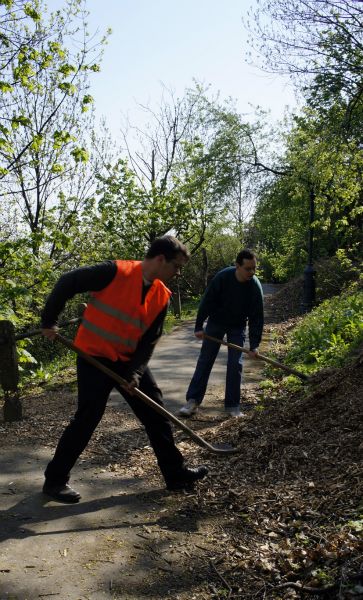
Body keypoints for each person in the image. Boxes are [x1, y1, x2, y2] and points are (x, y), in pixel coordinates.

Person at [41, 235, 208, 503]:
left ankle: (175, 475)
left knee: (156, 412)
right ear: (160, 259)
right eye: (176, 266)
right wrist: (49, 320)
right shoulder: (113, 272)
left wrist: (135, 373)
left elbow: (149, 340)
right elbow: (67, 282)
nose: (178, 273)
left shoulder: (162, 296)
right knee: (88, 417)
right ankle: (54, 481)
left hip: (127, 360)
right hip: (93, 356)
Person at [179, 249, 264, 418]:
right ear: (237, 266)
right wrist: (198, 326)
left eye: (254, 268)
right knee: (206, 359)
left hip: (237, 326)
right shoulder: (222, 278)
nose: (252, 272)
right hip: (216, 322)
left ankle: (232, 406)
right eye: (248, 268)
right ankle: (193, 401)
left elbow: (257, 318)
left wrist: (254, 345)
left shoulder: (254, 286)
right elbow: (207, 301)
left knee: (235, 363)